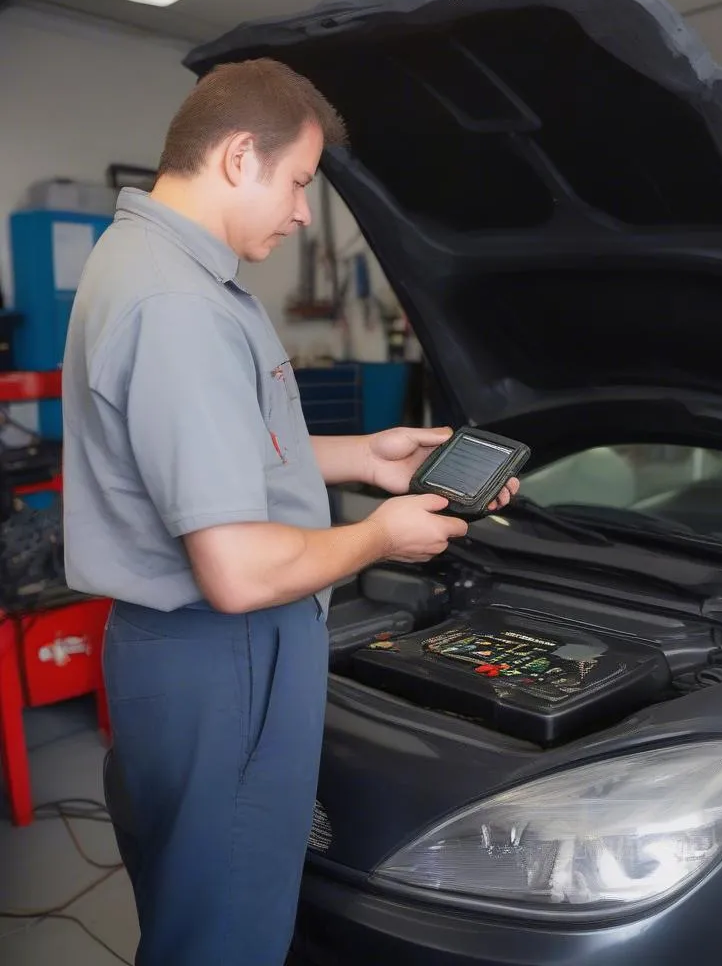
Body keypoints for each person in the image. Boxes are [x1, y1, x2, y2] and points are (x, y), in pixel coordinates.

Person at [60, 57, 518, 966]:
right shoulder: (178, 306)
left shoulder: (156, 268)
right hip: (223, 655)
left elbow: (221, 463)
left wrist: (369, 460)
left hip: (186, 659)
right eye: (301, 182)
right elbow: (234, 569)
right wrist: (382, 537)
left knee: (197, 909)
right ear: (239, 156)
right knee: (223, 934)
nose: (305, 210)